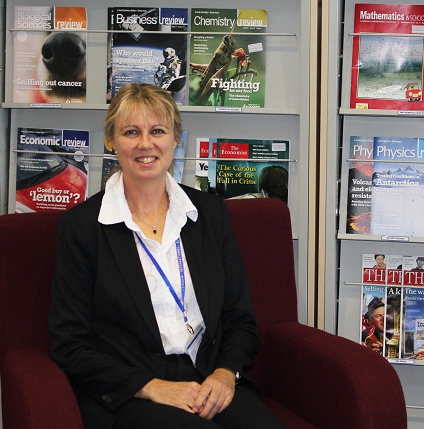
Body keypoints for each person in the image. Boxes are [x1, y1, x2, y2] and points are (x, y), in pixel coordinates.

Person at [49, 83, 285, 429]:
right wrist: (151, 387)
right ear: (111, 141)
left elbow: (240, 319)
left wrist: (225, 373)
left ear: (176, 139)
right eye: (131, 132)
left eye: (158, 131)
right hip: (131, 393)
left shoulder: (210, 214)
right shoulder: (82, 227)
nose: (146, 144)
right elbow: (69, 344)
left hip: (208, 377)